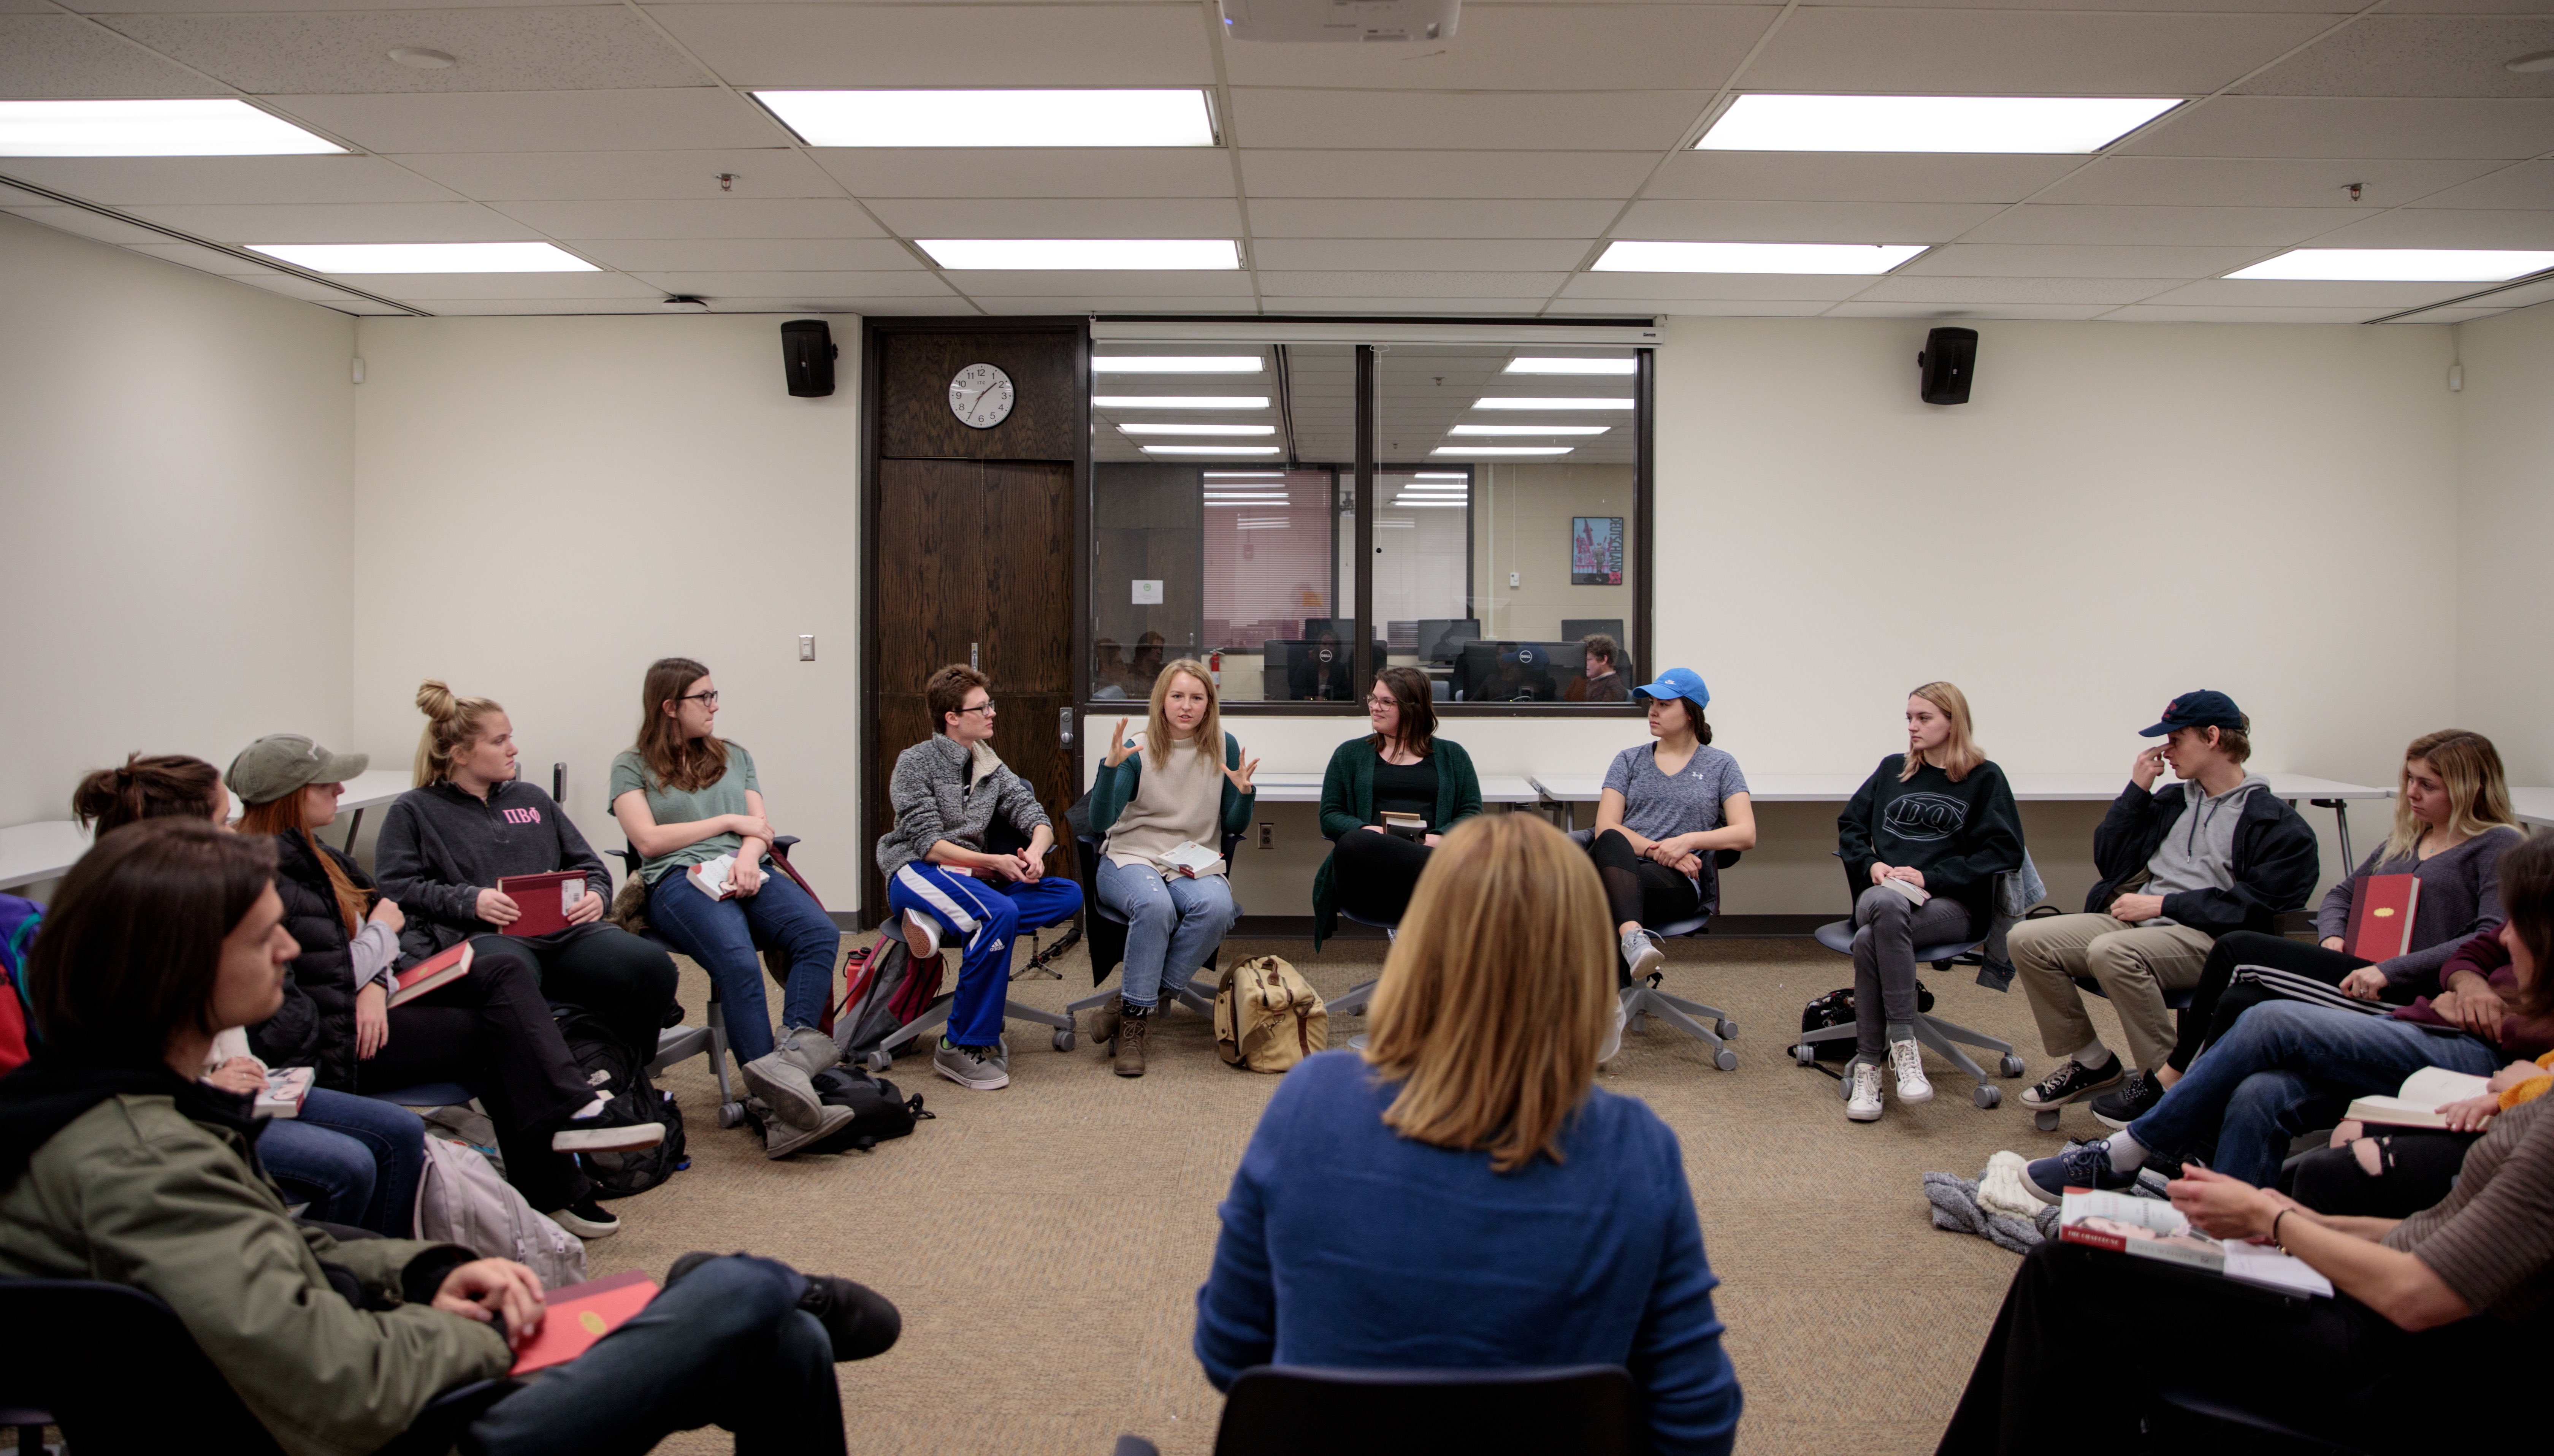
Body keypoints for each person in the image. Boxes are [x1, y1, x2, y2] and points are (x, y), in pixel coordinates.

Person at [0, 817, 899, 1456]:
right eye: (265, 935)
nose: (289, 950)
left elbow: (270, 1250)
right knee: (741, 1292)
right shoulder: (140, 1157)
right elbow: (339, 1390)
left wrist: (423, 1271)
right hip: (411, 1428)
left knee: (784, 1344)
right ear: (182, 965)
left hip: (357, 1393)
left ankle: (756, 1295)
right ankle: (759, 1284)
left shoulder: (119, 1111)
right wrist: (492, 1335)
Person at [1194, 814, 1743, 1456]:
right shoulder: (1635, 1150)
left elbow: (1229, 1350)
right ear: (1584, 959)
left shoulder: (1310, 1103)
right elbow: (1696, 1425)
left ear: (1419, 943)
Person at [1945, 1018, 2554, 1452]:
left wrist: (2273, 1221)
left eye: (2516, 927)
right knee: (2095, 1255)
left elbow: (2416, 1295)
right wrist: (2297, 1221)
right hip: (2383, 1324)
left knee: (2066, 1274)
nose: (2503, 937)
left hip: (2392, 1362)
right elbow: (2436, 1233)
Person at [230, 735, 660, 1239]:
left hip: (365, 1005)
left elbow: (377, 930)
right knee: (497, 1033)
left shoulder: (319, 854)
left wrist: (374, 981)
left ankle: (571, 1109)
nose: (341, 789)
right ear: (289, 795)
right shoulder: (264, 875)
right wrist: (376, 945)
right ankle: (558, 1178)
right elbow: (337, 964)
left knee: (502, 973)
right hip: (334, 1042)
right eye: (326, 783)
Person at [2024, 833, 2554, 1203]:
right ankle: (2221, 1234)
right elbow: (2477, 948)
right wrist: (2466, 983)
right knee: (2260, 1090)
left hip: (2476, 1058)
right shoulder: (2500, 918)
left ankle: (2127, 1151)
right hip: (2430, 1025)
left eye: (2520, 928)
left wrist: (2516, 1059)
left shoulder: (2494, 847)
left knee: (2269, 1018)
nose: (2507, 935)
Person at [2094, 728, 2525, 1128]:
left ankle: (2172, 1081)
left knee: (2237, 948)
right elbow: (2339, 895)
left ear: (2468, 789)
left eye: (2427, 785)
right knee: (2241, 999)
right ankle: (2193, 1114)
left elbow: (2488, 933)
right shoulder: (2410, 838)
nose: (2411, 792)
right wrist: (2332, 936)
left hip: (2408, 988)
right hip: (2361, 969)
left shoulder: (2497, 844)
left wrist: (2390, 970)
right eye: (2410, 779)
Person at [72, 752, 427, 1236]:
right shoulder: (124, 939)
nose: (235, 833)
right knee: (350, 1165)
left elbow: (228, 1028)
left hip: (239, 1087)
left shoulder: (202, 905)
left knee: (402, 1131)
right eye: (223, 821)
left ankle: (375, 1260)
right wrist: (209, 1087)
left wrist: (242, 1066)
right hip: (186, 1108)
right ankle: (322, 1266)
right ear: (180, 839)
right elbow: (117, 1080)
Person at [2008, 691, 2318, 1118]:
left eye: (2175, 740)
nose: (2165, 752)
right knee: (2026, 938)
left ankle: (2169, 1090)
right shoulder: (2172, 801)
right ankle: (2092, 1061)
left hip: (2211, 940)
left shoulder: (2276, 824)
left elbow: (2258, 906)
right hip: (2138, 923)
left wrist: (2164, 906)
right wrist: (2136, 791)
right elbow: (2110, 862)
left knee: (2111, 952)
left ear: (2212, 737)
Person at [611, 657, 856, 1157]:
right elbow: (648, 840)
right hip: (678, 879)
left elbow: (760, 827)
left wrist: (747, 856)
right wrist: (727, 821)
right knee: (738, 961)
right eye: (703, 697)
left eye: (714, 695)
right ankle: (775, 1110)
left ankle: (787, 1069)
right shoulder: (630, 765)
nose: (714, 706)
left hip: (744, 867)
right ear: (669, 706)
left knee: (818, 933)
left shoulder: (735, 755)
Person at [376, 681, 678, 1078]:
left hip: (563, 934)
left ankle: (621, 1071)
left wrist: (597, 895)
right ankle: (554, 1084)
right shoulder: (414, 810)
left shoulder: (532, 798)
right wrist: (470, 900)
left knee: (654, 967)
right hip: (483, 937)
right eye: (499, 741)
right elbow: (397, 888)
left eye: (511, 737)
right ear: (460, 753)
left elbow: (590, 866)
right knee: (514, 976)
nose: (513, 749)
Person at [876, 664, 1084, 1093]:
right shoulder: (915, 762)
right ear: (952, 717)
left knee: (1067, 894)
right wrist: (994, 862)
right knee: (998, 913)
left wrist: (1035, 851)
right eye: (982, 707)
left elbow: (1036, 816)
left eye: (991, 705)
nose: (992, 713)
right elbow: (929, 845)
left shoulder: (988, 762)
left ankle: (936, 920)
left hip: (974, 880)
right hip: (918, 871)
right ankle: (959, 1044)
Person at [1833, 683, 2023, 1122]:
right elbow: (1850, 828)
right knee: (1885, 906)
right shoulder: (1891, 770)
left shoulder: (1984, 778)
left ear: (1953, 723)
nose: (1912, 727)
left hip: (1949, 906)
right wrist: (1872, 866)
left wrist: (1930, 877)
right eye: (1909, 718)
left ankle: (1868, 1067)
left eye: (1924, 718)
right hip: (1882, 895)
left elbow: (2004, 852)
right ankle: (1903, 1047)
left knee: (1869, 941)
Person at [1085, 659, 1257, 1076]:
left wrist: (1244, 794)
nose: (1186, 706)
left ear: (1209, 703)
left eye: (1197, 698)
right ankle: (1135, 1027)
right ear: (1161, 700)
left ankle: (1125, 1005)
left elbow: (1233, 825)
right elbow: (1100, 821)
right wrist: (1109, 770)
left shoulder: (1223, 745)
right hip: (1130, 857)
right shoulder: (1138, 749)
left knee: (1218, 908)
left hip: (1188, 859)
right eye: (1177, 696)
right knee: (1155, 906)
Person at [1586, 667, 1755, 990]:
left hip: (1676, 881)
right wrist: (1659, 850)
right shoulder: (1628, 760)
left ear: (1690, 712)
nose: (1653, 711)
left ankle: (1600, 996)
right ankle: (1634, 942)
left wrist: (1686, 842)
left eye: (1664, 704)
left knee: (1597, 892)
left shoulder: (1721, 765)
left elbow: (1746, 833)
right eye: (1652, 703)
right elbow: (1606, 826)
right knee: (1609, 838)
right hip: (1622, 861)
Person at [1311, 665, 1484, 946]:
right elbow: (1330, 816)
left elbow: (1472, 814)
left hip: (1434, 860)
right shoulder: (1349, 754)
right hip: (1373, 866)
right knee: (1354, 842)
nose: (1374, 707)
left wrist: (1439, 838)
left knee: (1456, 858)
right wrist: (1368, 831)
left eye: (1386, 702)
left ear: (1413, 707)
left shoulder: (1453, 755)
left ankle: (1413, 950)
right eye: (1373, 699)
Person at [1287, 627, 1353, 702]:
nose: (1328, 648)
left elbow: (1347, 696)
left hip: (1332, 708)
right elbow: (1295, 694)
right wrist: (1314, 699)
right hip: (1309, 707)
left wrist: (1325, 700)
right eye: (1324, 644)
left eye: (1332, 645)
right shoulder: (1306, 666)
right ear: (1319, 647)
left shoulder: (1341, 670)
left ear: (1337, 649)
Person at [1565, 633, 1629, 703]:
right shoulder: (1583, 680)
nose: (1585, 664)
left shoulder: (1614, 686)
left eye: (1589, 660)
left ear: (1604, 660)